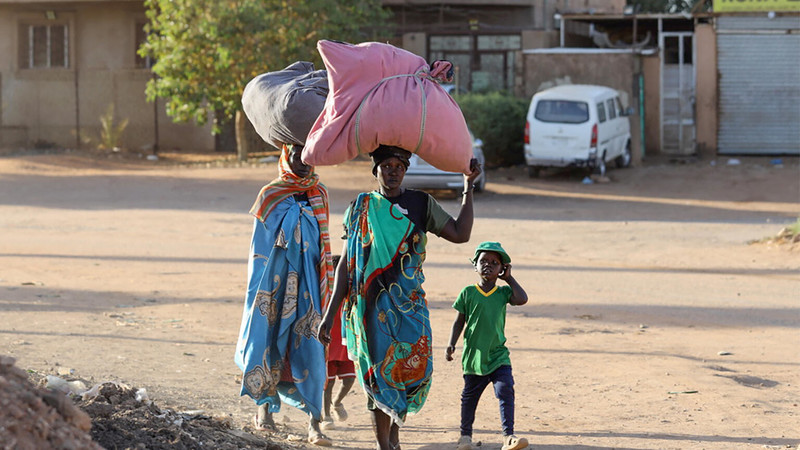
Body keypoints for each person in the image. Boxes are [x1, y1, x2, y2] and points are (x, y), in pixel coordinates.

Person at [318, 145, 482, 450]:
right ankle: (384, 444)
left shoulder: (421, 203)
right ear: (375, 170)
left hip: (411, 306)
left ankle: (394, 434)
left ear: (405, 170)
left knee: (408, 372)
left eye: (399, 166)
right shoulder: (361, 207)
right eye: (386, 166)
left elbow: (461, 234)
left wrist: (468, 187)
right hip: (370, 310)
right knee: (378, 376)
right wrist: (329, 316)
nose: (393, 171)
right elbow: (346, 265)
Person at [234, 144, 334, 447]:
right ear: (285, 155)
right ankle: (264, 409)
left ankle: (315, 423)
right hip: (273, 287)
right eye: (297, 155)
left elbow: (323, 246)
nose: (303, 163)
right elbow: (258, 251)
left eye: (309, 156)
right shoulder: (270, 195)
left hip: (309, 287)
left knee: (312, 349)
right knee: (267, 341)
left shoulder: (320, 195)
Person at [445, 241, 529, 450]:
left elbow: (522, 299)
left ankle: (508, 436)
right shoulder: (468, 292)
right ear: (475, 265)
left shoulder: (502, 293)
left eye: (495, 262)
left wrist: (509, 279)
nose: (488, 265)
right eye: (483, 261)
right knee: (469, 399)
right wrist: (451, 344)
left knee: (505, 390)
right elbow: (459, 322)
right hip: (474, 357)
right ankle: (465, 437)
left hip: (498, 356)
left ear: (502, 269)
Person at [320, 255, 356, 431]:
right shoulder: (326, 297)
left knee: (349, 380)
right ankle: (325, 414)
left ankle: (337, 402)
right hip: (330, 346)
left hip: (346, 345)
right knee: (329, 383)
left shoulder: (351, 296)